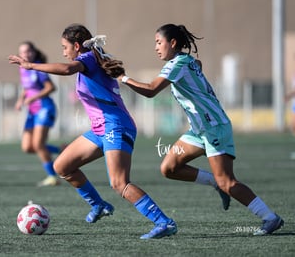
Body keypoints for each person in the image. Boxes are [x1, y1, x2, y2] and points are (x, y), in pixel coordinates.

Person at [8, 23, 177, 239]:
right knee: (62, 166)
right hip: (101, 129)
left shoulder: (86, 58)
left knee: (119, 183)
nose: (63, 51)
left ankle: (164, 222)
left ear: (77, 46)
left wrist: (31, 65)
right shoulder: (91, 58)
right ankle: (99, 205)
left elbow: (67, 69)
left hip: (115, 126)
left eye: (64, 46)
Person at [119, 23, 284, 236]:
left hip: (213, 127)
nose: (156, 47)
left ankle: (270, 217)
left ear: (173, 43)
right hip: (200, 130)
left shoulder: (177, 64)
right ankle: (215, 183)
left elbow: (151, 90)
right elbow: (197, 63)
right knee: (169, 168)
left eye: (159, 42)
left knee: (228, 182)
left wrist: (123, 78)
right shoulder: (185, 61)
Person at [14, 41, 62, 187]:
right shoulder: (23, 69)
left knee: (38, 144)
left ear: (34, 52)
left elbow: (51, 87)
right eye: (22, 52)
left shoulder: (39, 68)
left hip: (44, 108)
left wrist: (34, 97)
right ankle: (62, 150)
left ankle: (52, 177)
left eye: (28, 51)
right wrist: (20, 99)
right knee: (28, 147)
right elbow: (26, 87)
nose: (25, 54)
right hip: (32, 111)